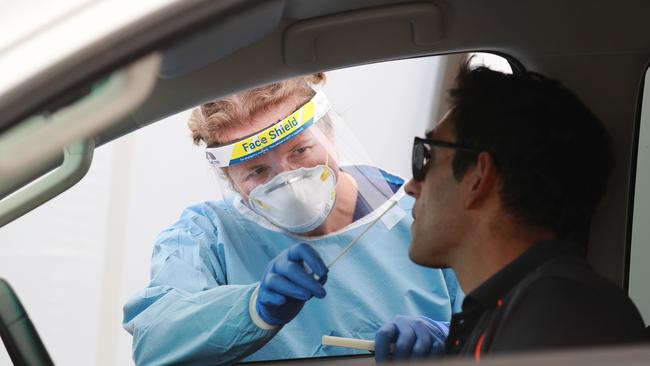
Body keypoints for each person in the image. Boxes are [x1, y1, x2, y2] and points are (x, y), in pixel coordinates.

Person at [122, 73, 464, 365]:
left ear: (329, 134)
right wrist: (252, 310)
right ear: (229, 179)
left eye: (300, 151)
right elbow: (154, 343)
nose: (289, 180)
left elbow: (503, 321)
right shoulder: (206, 236)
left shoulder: (417, 211)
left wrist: (454, 341)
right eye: (256, 170)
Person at [374, 63, 648, 362]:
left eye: (428, 157)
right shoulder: (511, 312)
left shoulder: (558, 317)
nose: (411, 186)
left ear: (479, 176)